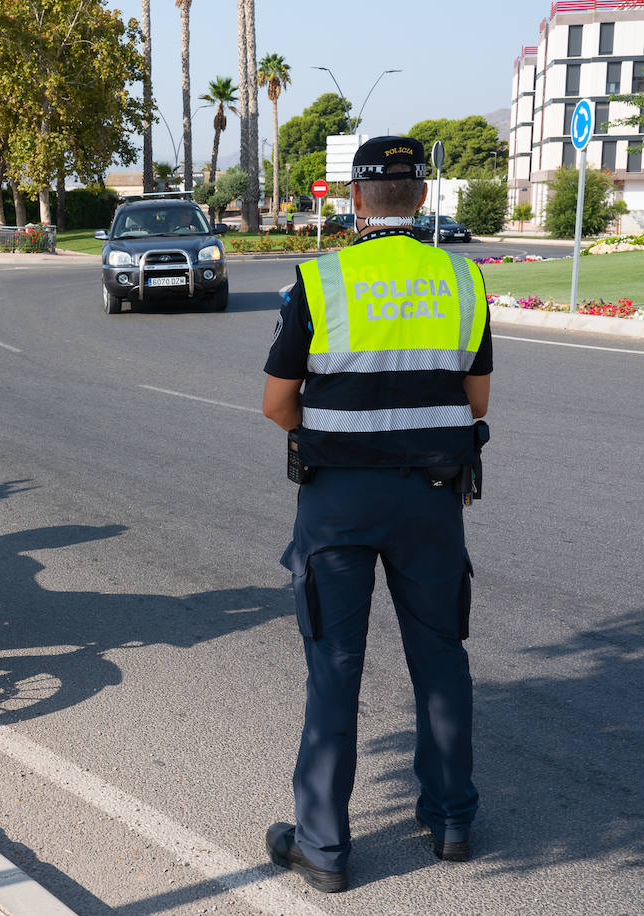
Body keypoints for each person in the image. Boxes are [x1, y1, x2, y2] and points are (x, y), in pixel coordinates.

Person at [260, 136, 492, 893]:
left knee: (334, 669)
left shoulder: (319, 280)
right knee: (441, 658)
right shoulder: (462, 281)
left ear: (356, 200)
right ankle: (453, 818)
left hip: (339, 502)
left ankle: (324, 848)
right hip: (432, 500)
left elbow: (275, 403)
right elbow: (477, 401)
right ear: (421, 198)